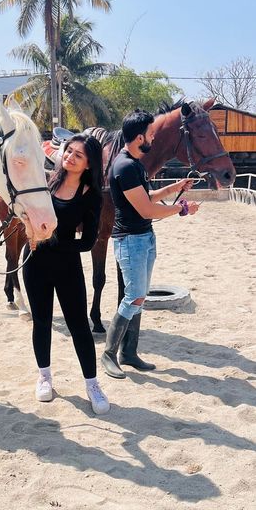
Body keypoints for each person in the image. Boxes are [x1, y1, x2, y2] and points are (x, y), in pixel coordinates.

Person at [102, 109, 199, 379]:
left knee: (139, 297)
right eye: (151, 134)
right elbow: (145, 209)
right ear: (138, 136)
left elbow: (147, 197)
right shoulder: (125, 166)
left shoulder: (135, 164)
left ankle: (129, 353)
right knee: (133, 297)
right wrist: (181, 209)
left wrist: (174, 187)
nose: (153, 139)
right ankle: (109, 353)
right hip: (131, 241)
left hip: (143, 238)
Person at [23, 133, 110, 415]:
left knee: (79, 327)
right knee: (41, 321)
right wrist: (29, 231)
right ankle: (45, 376)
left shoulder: (90, 195)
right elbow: (25, 213)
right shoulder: (46, 181)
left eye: (78, 155)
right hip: (34, 262)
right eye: (69, 151)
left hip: (67, 266)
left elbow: (87, 242)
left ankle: (92, 384)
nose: (70, 157)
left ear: (88, 164)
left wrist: (51, 240)